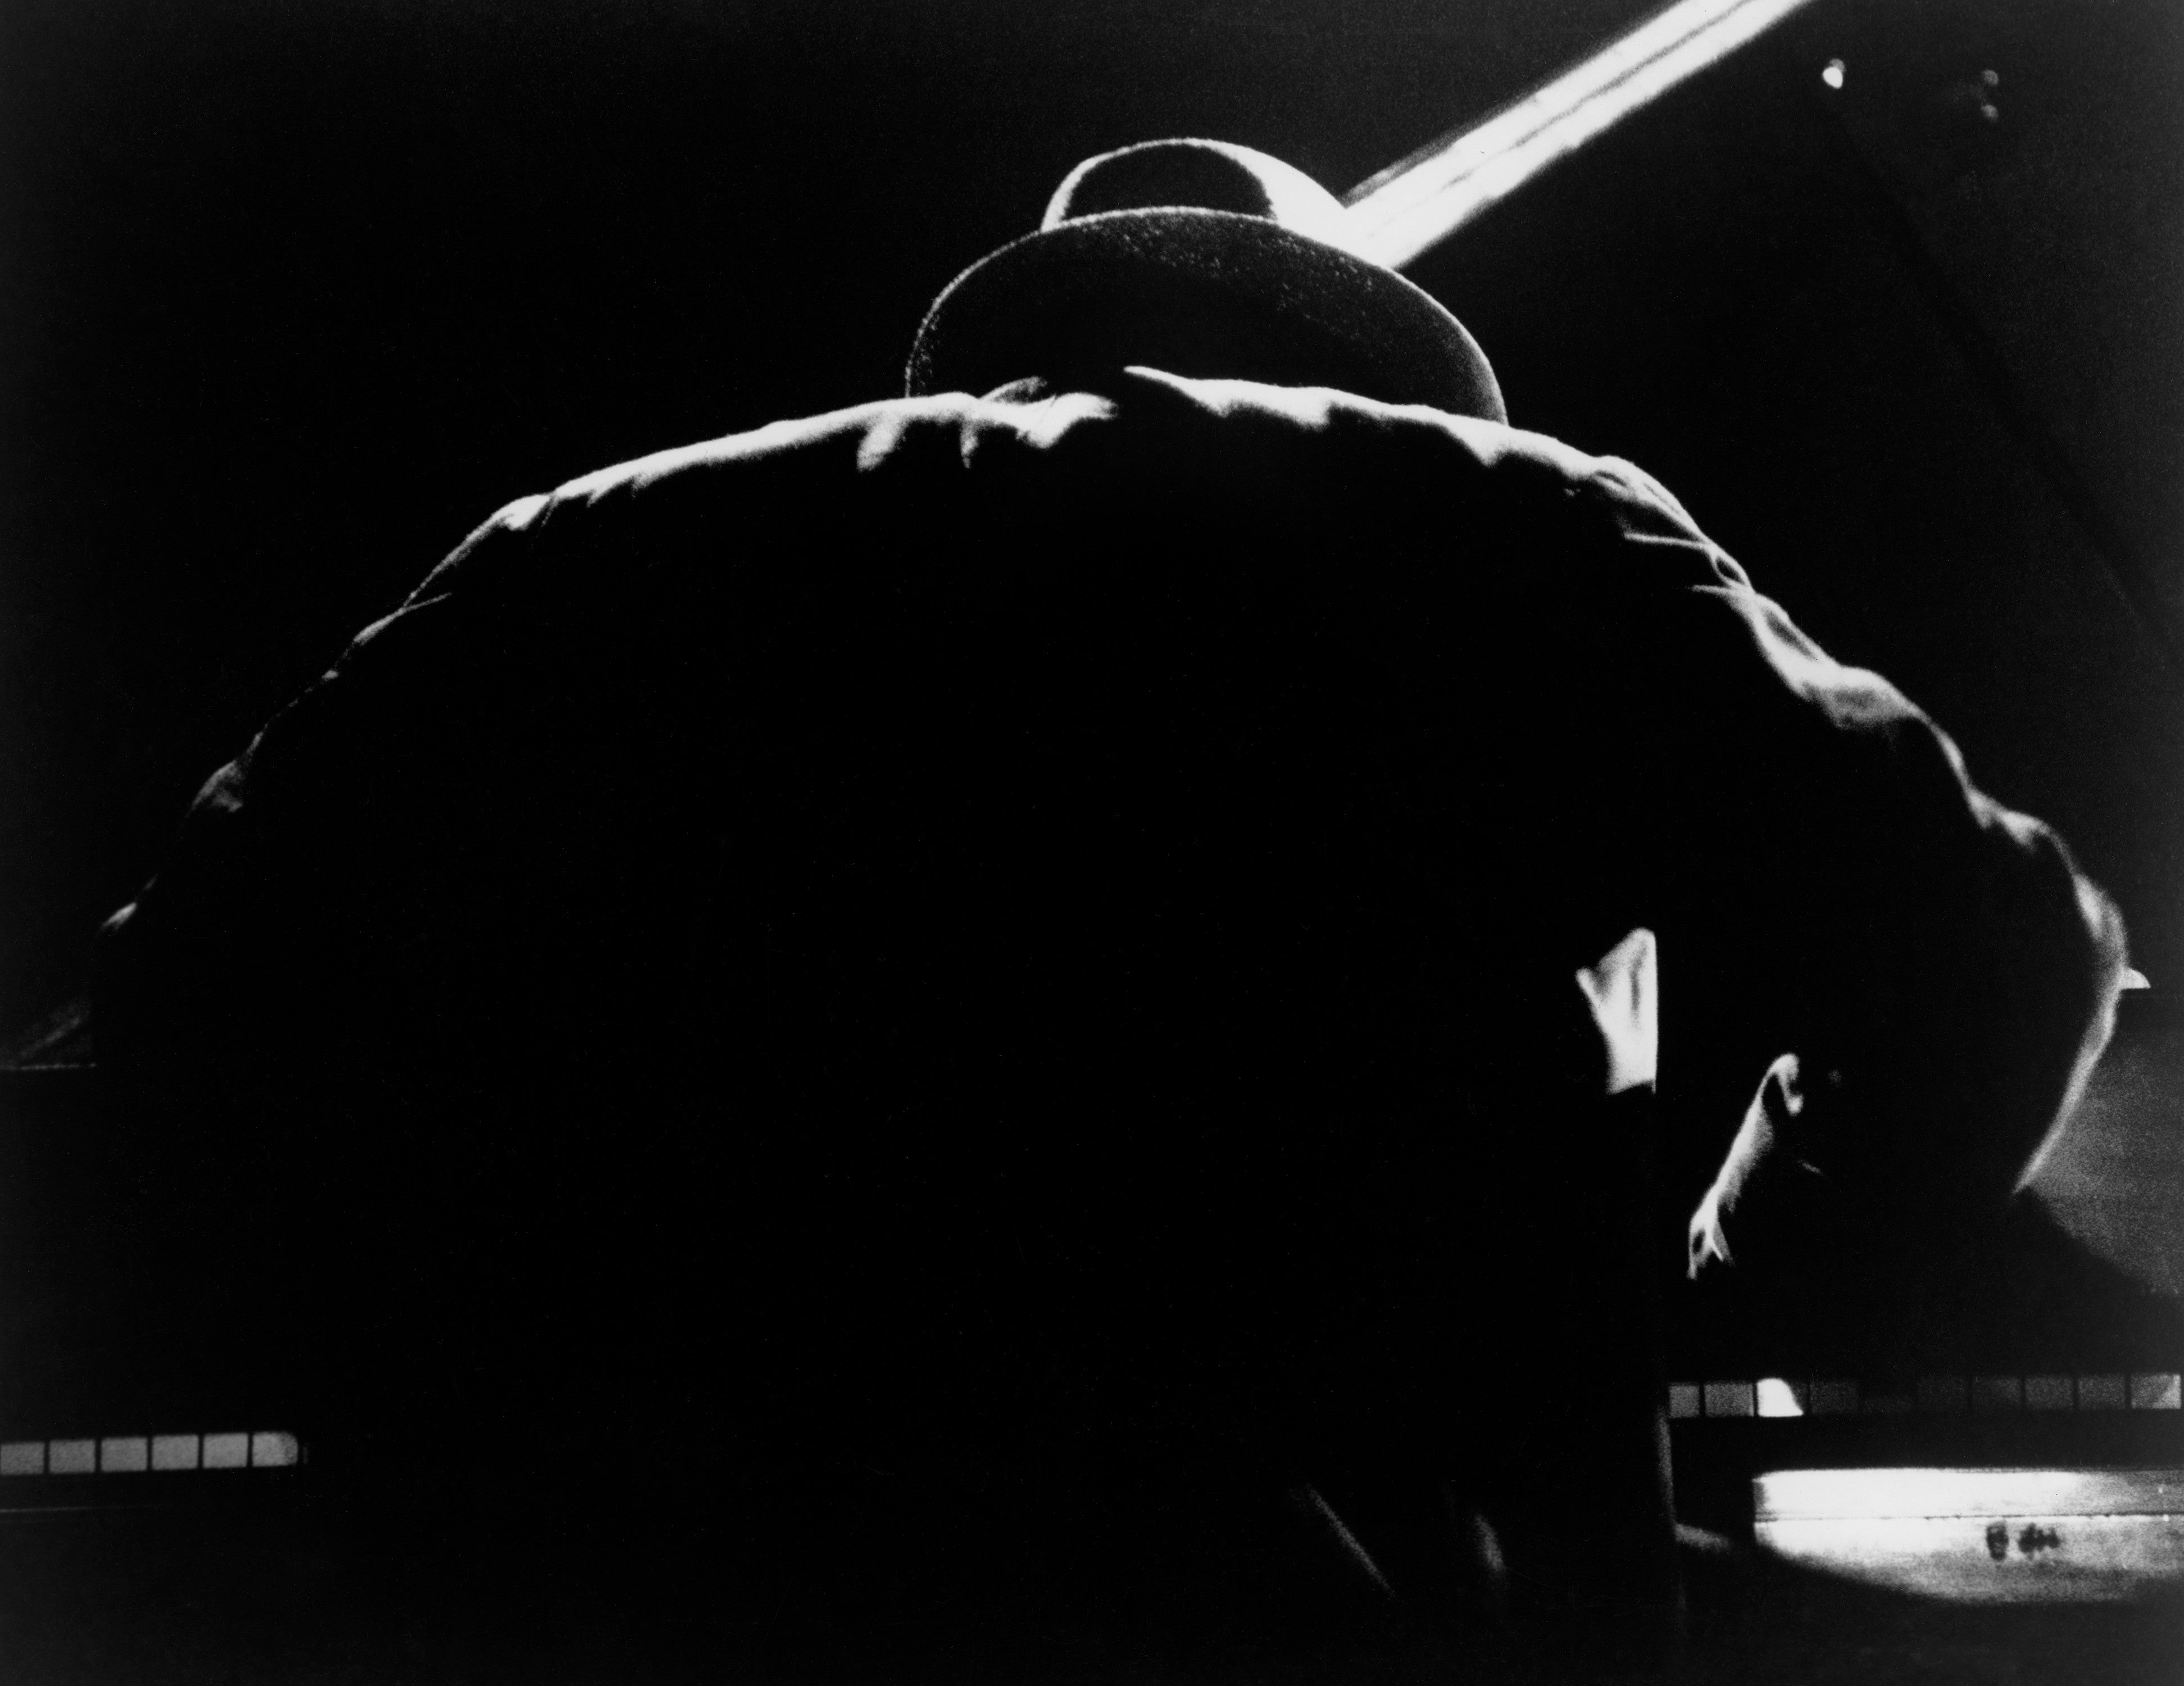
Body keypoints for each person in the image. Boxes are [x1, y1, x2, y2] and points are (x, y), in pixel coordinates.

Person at [91, 139, 2126, 1671]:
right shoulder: (1530, 537)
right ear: (1381, 368)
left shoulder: (597, 549)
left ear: (1016, 337)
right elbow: (2010, 956)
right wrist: (1750, 1258)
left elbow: (185, 1007)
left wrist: (509, 1393)